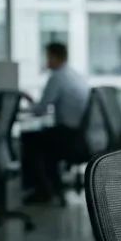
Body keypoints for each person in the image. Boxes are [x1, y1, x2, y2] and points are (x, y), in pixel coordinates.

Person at [21, 42, 89, 205]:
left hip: (68, 136)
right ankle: (51, 187)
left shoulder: (57, 77)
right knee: (41, 138)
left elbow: (41, 109)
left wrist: (26, 105)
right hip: (79, 135)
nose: (46, 61)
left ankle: (41, 191)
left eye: (48, 57)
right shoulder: (75, 75)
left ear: (54, 56)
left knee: (29, 139)